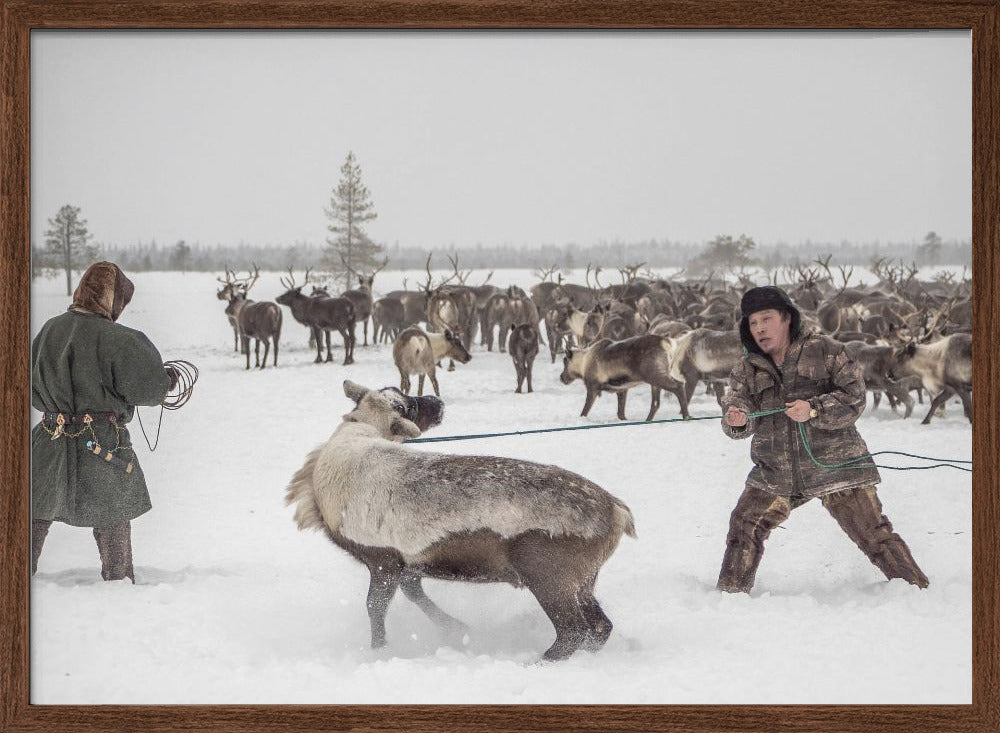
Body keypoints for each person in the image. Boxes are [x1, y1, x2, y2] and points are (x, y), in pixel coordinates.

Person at [717, 285, 928, 593]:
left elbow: (854, 397)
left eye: (767, 319)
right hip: (776, 471)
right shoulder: (746, 367)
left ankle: (916, 591)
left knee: (873, 534)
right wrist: (737, 417)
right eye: (753, 322)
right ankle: (729, 597)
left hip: (836, 466)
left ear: (787, 318)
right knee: (743, 527)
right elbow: (737, 402)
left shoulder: (827, 350)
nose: (760, 328)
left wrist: (814, 409)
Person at [31, 261, 176, 583]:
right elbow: (149, 390)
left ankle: (14, 576)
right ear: (114, 298)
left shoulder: (49, 330)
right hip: (101, 441)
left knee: (34, 509)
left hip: (49, 435)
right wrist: (166, 381)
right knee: (113, 512)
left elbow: (30, 383)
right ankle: (119, 582)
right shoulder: (121, 339)